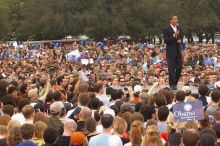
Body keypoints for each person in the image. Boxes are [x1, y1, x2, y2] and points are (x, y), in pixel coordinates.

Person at [163, 15, 183, 90]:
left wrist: (180, 41)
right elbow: (166, 40)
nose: (176, 20)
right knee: (171, 69)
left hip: (178, 50)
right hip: (170, 52)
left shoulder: (179, 28)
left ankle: (175, 83)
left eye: (177, 19)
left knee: (179, 67)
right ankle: (172, 84)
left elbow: (181, 37)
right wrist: (174, 35)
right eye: (175, 19)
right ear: (170, 20)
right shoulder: (166, 29)